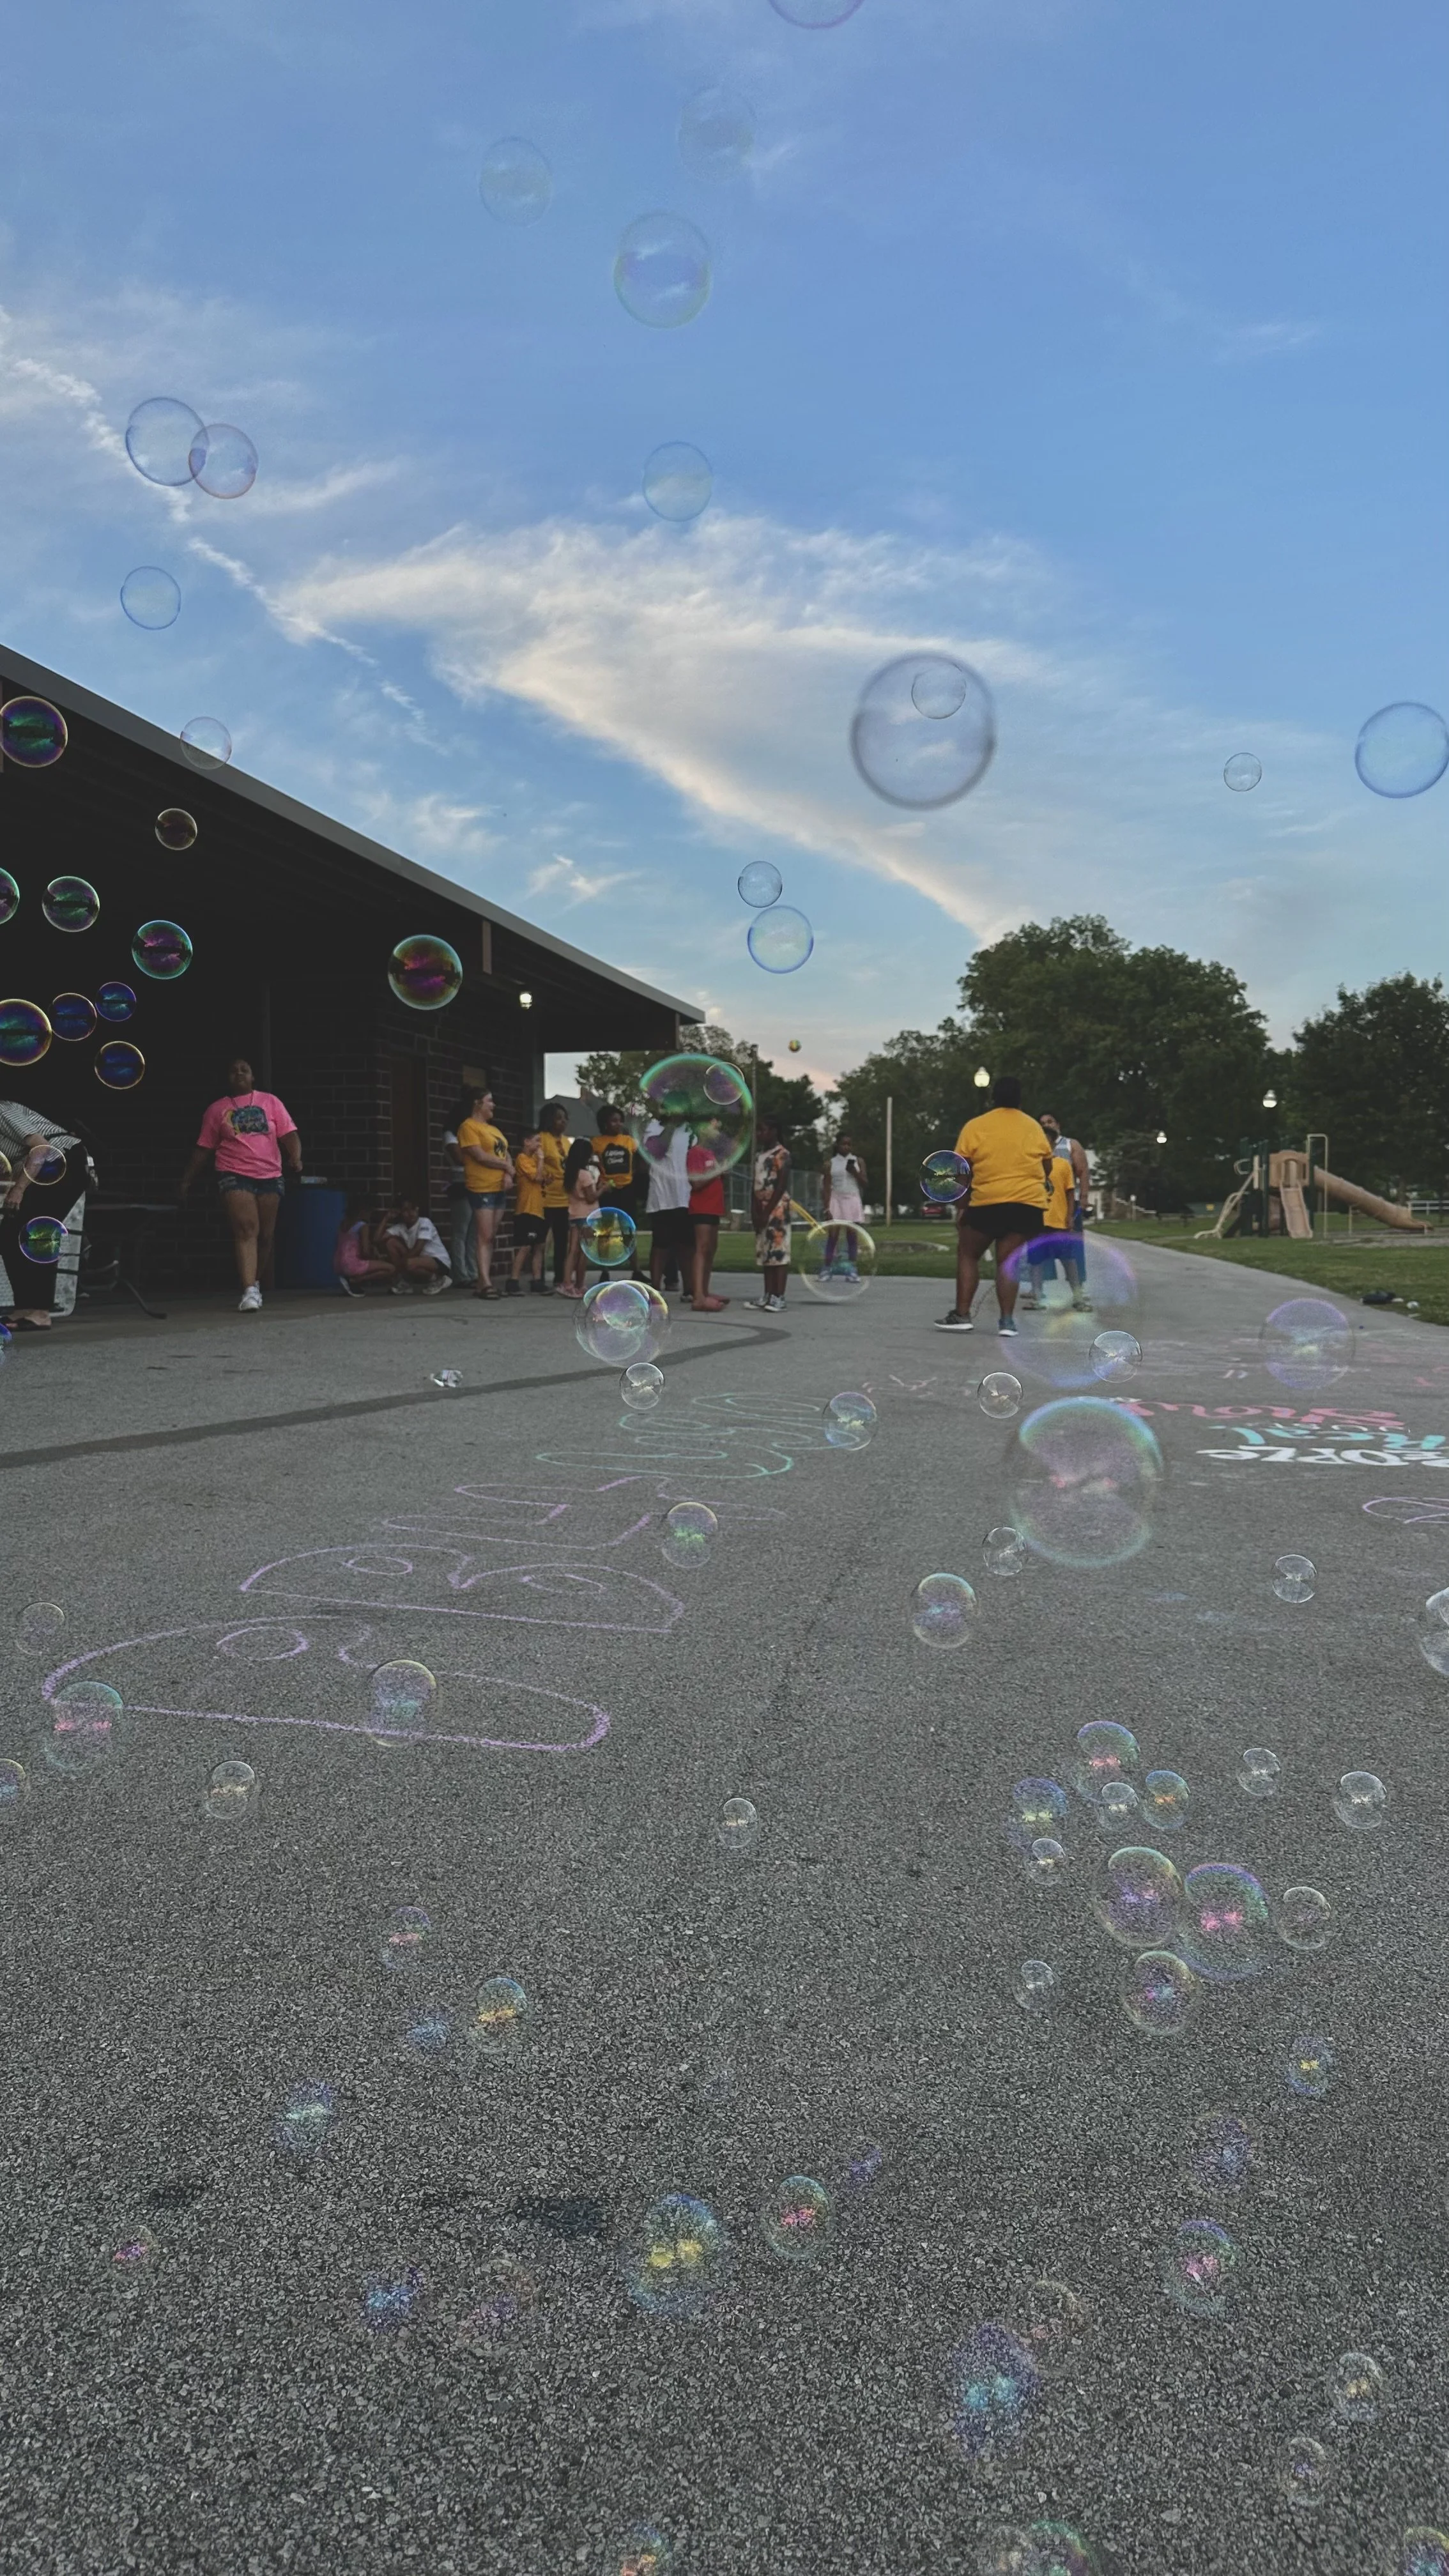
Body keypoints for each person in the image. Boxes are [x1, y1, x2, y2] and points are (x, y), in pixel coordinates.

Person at [180, 1056, 302, 1314]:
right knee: (247, 1228)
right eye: (234, 1071)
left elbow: (289, 1134)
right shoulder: (217, 1110)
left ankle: (254, 1284)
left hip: (270, 1174)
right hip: (234, 1173)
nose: (239, 1074)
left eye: (244, 1070)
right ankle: (248, 1291)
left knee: (265, 1236)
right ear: (228, 1078)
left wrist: (296, 1156)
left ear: (253, 1077)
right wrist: (187, 1179)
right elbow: (204, 1148)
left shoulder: (271, 1102)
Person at [933, 1073, 1052, 1335]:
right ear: (1021, 1100)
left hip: (988, 1202)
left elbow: (961, 1171)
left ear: (993, 1098)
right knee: (1007, 1261)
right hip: (1027, 1205)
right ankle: (1007, 1322)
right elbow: (1047, 1165)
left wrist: (963, 1206)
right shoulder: (1033, 1127)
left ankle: (962, 1315)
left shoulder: (976, 1126)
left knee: (968, 1252)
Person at [0, 1097, 87, 1333]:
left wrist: (18, 1190)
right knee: (9, 1234)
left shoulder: (2, 1110)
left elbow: (41, 1147)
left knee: (38, 1232)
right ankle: (25, 1308)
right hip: (41, 1169)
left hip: (62, 1161)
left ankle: (40, 1312)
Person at [456, 1086, 512, 1301]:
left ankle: (482, 1281)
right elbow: (479, 1156)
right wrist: (507, 1168)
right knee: (484, 1235)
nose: (493, 1105)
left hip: (499, 1187)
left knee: (490, 1236)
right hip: (482, 1187)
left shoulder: (494, 1130)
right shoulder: (468, 1127)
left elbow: (506, 1153)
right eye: (490, 1101)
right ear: (478, 1103)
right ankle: (486, 1282)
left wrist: (508, 1173)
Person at [1018, 1140, 1084, 1310]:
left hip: (1058, 1221)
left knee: (1068, 1260)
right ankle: (1038, 1297)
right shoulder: (1029, 1166)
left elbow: (1070, 1192)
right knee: (1036, 1261)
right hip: (1037, 1221)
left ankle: (1078, 1298)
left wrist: (1070, 1216)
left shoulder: (1063, 1165)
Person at [1038, 1110, 1093, 1310]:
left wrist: (1084, 1198)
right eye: (1042, 1122)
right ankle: (1040, 1289)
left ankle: (1080, 1288)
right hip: (1044, 1204)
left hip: (1069, 1203)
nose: (1047, 1125)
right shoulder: (1037, 1146)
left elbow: (1083, 1171)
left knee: (1072, 1248)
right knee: (1040, 1249)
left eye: (1050, 1121)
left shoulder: (1071, 1145)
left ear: (1058, 1124)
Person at [744, 1115, 792, 1314]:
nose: (759, 1134)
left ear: (774, 1132)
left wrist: (768, 1210)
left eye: (763, 1130)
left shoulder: (783, 1154)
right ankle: (768, 1294)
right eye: (758, 1130)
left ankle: (779, 1296)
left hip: (777, 1208)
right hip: (761, 1207)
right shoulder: (759, 1156)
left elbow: (780, 1185)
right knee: (766, 1253)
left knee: (778, 1252)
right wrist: (755, 1211)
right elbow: (755, 1184)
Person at [643, 1113, 693, 1300]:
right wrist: (671, 1124)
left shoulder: (689, 1130)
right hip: (662, 1196)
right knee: (661, 1244)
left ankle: (689, 1288)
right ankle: (654, 1289)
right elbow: (658, 1150)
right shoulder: (653, 1127)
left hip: (685, 1195)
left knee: (687, 1245)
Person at [590, 1103, 640, 1273]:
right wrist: (599, 1180)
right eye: (614, 1121)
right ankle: (605, 1270)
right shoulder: (597, 1142)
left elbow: (638, 1161)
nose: (618, 1124)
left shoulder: (629, 1141)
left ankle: (636, 1270)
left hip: (627, 1189)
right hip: (608, 1192)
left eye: (620, 1121)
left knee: (629, 1231)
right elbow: (590, 1163)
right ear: (605, 1123)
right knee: (605, 1231)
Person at [442, 1085, 484, 1287]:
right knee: (461, 1230)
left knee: (474, 1231)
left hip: (477, 1183)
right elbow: (459, 1158)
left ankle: (472, 1271)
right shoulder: (451, 1135)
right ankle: (460, 1273)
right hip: (460, 1183)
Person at [686, 1139, 728, 1315]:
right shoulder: (696, 1152)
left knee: (711, 1248)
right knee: (702, 1248)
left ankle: (705, 1291)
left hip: (714, 1206)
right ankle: (698, 1297)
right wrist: (717, 1172)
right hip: (702, 1206)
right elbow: (696, 1182)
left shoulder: (711, 1154)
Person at [380, 1198, 452, 1295]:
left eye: (413, 1209)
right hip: (419, 1260)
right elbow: (378, 1239)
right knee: (391, 1242)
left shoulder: (425, 1223)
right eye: (406, 1211)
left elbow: (418, 1249)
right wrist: (387, 1218)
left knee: (409, 1263)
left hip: (438, 1261)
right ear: (400, 1213)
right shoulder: (400, 1227)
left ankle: (439, 1279)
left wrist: (399, 1267)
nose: (411, 1213)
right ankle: (407, 1284)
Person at [509, 1124, 549, 1295]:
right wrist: (541, 1161)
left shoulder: (534, 1160)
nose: (540, 1145)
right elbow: (538, 1177)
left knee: (539, 1246)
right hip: (526, 1210)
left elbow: (546, 1178)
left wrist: (541, 1166)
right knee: (525, 1246)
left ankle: (537, 1280)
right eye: (537, 1141)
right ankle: (513, 1281)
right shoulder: (522, 1159)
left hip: (539, 1209)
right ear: (526, 1142)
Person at [822, 1129, 867, 1282]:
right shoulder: (830, 1164)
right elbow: (827, 1186)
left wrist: (854, 1171)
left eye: (849, 1145)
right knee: (833, 1236)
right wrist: (827, 1207)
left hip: (852, 1198)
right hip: (836, 1199)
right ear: (837, 1145)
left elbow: (865, 1183)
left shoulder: (858, 1161)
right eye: (843, 1144)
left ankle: (852, 1270)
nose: (846, 1148)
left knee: (851, 1235)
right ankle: (827, 1269)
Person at [537, 1102, 572, 1291]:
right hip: (546, 1197)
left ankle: (560, 1278)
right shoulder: (541, 1139)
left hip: (565, 1198)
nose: (563, 1122)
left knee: (562, 1241)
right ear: (549, 1120)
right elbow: (535, 1164)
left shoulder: (567, 1142)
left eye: (565, 1118)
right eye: (559, 1118)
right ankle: (539, 1277)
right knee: (542, 1240)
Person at [560, 1138, 602, 1298]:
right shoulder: (585, 1174)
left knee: (572, 1250)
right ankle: (579, 1284)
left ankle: (566, 1283)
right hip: (589, 1215)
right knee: (584, 1252)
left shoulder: (571, 1173)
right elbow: (591, 1198)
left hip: (575, 1214)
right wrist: (603, 1189)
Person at [334, 1199, 395, 1296]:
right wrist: (376, 1258)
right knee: (390, 1268)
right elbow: (365, 1251)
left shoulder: (343, 1223)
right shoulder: (363, 1226)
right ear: (363, 1212)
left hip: (338, 1263)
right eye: (370, 1213)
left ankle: (350, 1281)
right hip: (351, 1264)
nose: (370, 1216)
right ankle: (355, 1280)